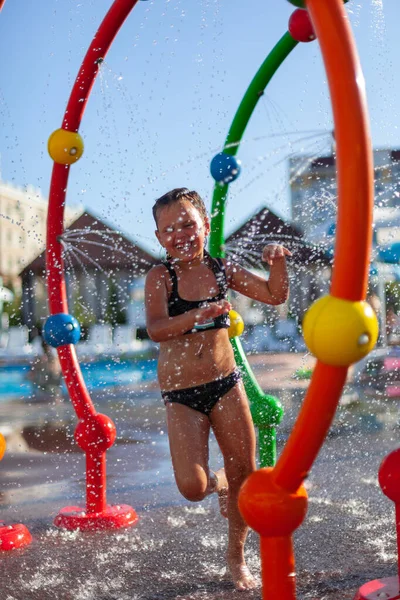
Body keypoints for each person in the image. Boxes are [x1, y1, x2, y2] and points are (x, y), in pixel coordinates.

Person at [145, 188, 291, 591]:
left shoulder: (222, 270)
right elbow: (157, 329)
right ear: (159, 238)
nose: (180, 233)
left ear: (205, 226)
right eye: (169, 228)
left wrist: (277, 263)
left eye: (188, 223)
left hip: (226, 385)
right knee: (192, 488)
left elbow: (274, 294)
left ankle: (236, 558)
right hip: (182, 396)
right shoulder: (161, 277)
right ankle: (221, 481)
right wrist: (197, 315)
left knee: (245, 473)